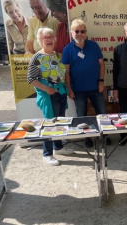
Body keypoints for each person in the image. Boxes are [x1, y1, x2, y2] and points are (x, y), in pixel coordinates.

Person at [27, 27, 74, 166]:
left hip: (60, 94)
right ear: (40, 41)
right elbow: (31, 79)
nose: (48, 40)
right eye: (45, 37)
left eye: (51, 37)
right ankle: (47, 154)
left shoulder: (55, 54)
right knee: (49, 124)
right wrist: (47, 89)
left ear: (55, 40)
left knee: (59, 121)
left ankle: (58, 147)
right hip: (48, 97)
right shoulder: (37, 57)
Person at [62, 19, 110, 148]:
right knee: (82, 116)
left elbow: (101, 64)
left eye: (82, 31)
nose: (79, 34)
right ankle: (87, 138)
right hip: (78, 90)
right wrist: (69, 89)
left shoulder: (94, 46)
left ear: (86, 33)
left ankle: (105, 136)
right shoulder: (67, 50)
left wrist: (101, 81)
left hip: (95, 87)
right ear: (71, 32)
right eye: (76, 31)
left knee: (102, 113)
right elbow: (66, 71)